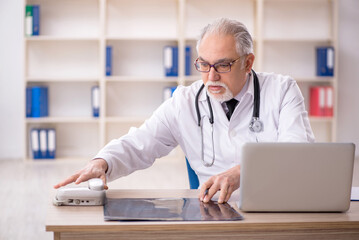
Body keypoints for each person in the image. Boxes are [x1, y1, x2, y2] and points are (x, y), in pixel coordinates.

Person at [54, 18, 315, 203]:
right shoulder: (185, 102)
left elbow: (298, 153)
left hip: (276, 208)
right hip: (217, 212)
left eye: (223, 65)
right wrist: (102, 162)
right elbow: (140, 143)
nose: (211, 76)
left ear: (248, 63)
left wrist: (242, 171)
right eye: (204, 64)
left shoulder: (281, 91)